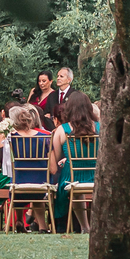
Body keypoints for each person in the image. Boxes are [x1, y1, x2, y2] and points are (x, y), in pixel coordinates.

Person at [49, 92, 98, 232]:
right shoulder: (101, 127)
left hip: (71, 176)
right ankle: (91, 225)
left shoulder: (62, 130)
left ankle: (84, 226)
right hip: (96, 175)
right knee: (78, 181)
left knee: (73, 181)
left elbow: (54, 163)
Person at [3, 105, 51, 232]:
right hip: (40, 182)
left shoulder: (11, 137)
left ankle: (19, 221)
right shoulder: (44, 136)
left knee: (18, 185)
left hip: (20, 181)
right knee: (37, 196)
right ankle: (42, 226)